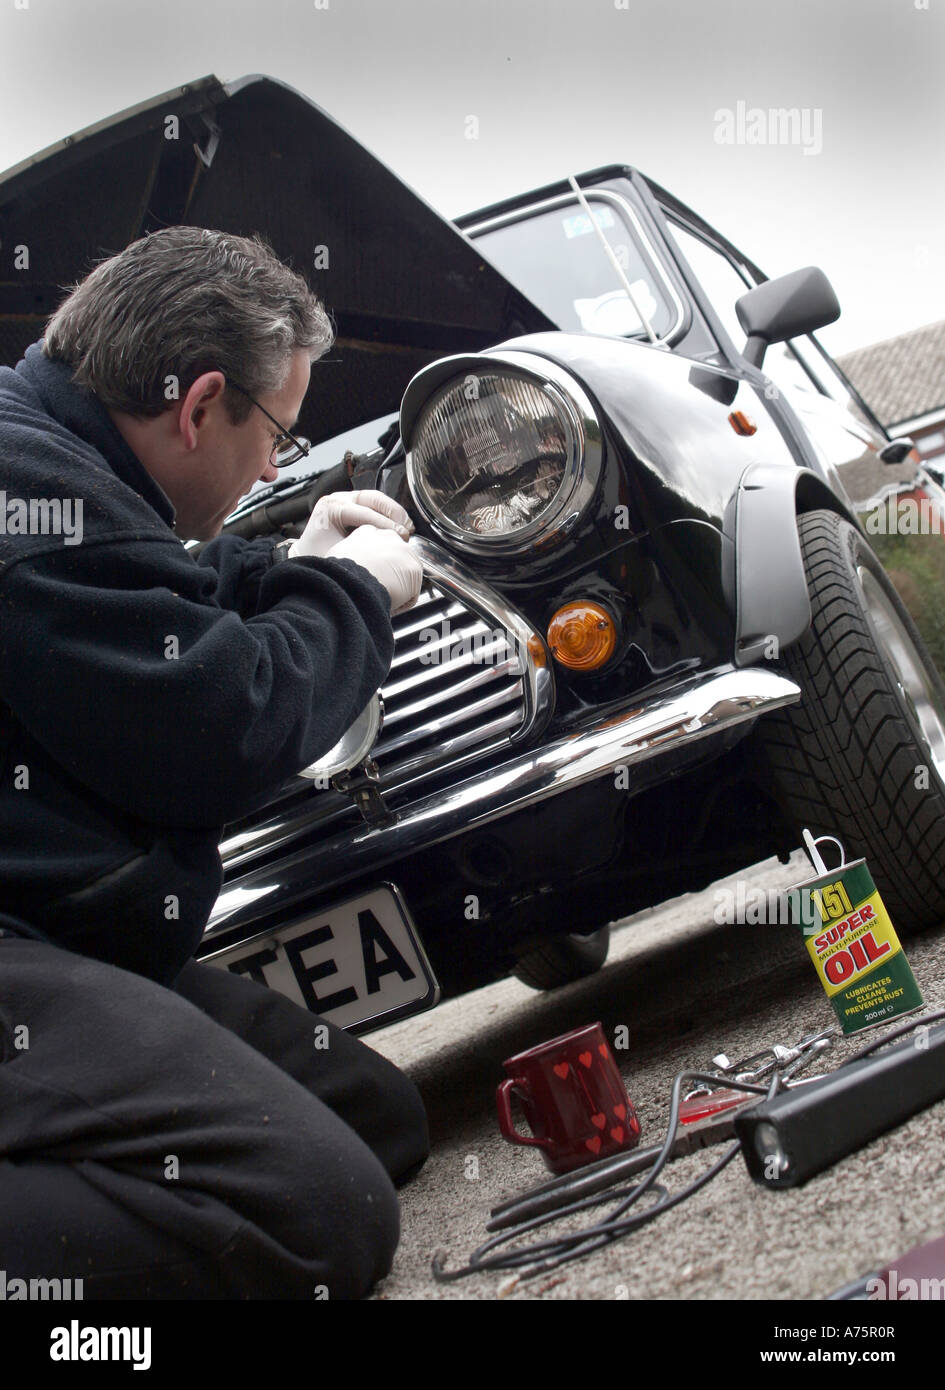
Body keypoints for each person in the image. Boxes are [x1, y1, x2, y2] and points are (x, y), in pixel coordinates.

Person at [0, 226, 429, 1299]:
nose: (279, 463)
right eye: (278, 430)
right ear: (197, 406)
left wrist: (294, 563)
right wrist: (359, 594)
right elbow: (216, 725)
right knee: (315, 1207)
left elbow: (136, 590)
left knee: (373, 1116)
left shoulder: (46, 456)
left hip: (47, 932)